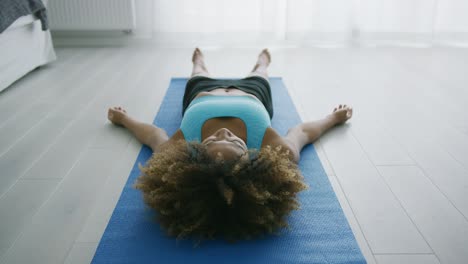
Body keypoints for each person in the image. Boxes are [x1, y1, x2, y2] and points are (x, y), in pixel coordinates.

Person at [107, 48, 353, 241]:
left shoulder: (179, 148)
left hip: (200, 92)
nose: (223, 133)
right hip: (253, 92)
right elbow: (303, 131)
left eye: (212, 141)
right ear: (251, 156)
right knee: (260, 73)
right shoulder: (276, 148)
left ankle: (199, 62)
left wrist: (124, 119)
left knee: (198, 72)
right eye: (235, 143)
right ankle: (263, 61)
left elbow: (152, 135)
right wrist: (333, 118)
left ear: (198, 153)